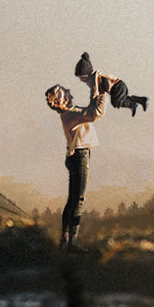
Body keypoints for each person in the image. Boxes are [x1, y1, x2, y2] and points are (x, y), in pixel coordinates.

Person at [45, 61, 119, 253]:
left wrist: (95, 89)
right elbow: (95, 113)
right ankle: (72, 242)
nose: (67, 92)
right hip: (80, 156)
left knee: (72, 199)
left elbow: (89, 108)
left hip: (75, 155)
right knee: (78, 199)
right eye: (62, 93)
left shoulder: (70, 113)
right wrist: (102, 92)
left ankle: (65, 239)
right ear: (59, 101)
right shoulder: (70, 114)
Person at [74, 51, 148, 116]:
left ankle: (132, 105)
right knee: (123, 98)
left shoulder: (93, 80)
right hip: (119, 85)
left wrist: (91, 107)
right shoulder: (96, 76)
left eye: (82, 77)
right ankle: (141, 100)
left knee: (116, 102)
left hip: (116, 87)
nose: (81, 80)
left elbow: (94, 93)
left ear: (86, 75)